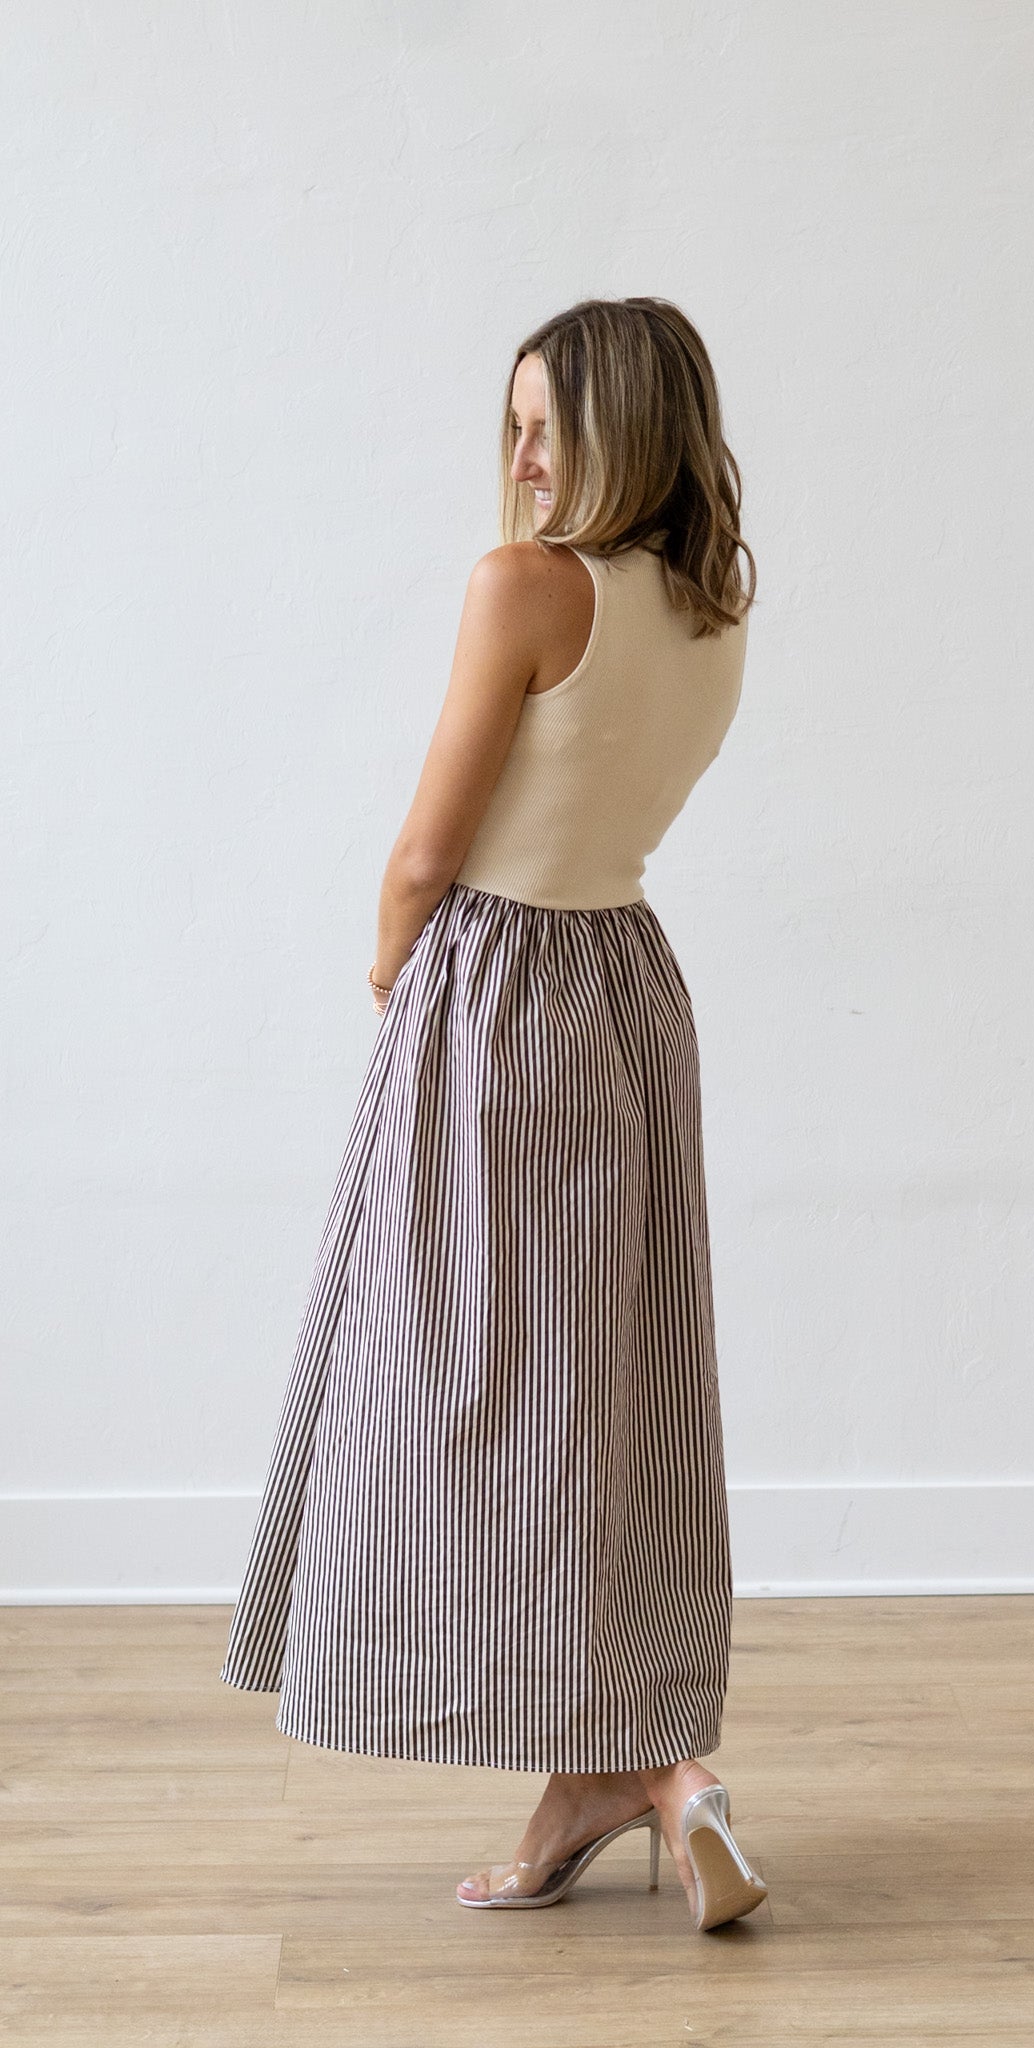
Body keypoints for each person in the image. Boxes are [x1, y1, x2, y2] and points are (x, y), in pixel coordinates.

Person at [219, 296, 767, 1933]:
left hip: (495, 989)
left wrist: (394, 974)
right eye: (512, 425)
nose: (521, 461)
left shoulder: (526, 586)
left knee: (448, 1382)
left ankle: (634, 1764)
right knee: (613, 1393)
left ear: (626, 431)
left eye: (550, 426)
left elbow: (424, 845)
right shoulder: (715, 602)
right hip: (628, 987)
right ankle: (642, 1769)